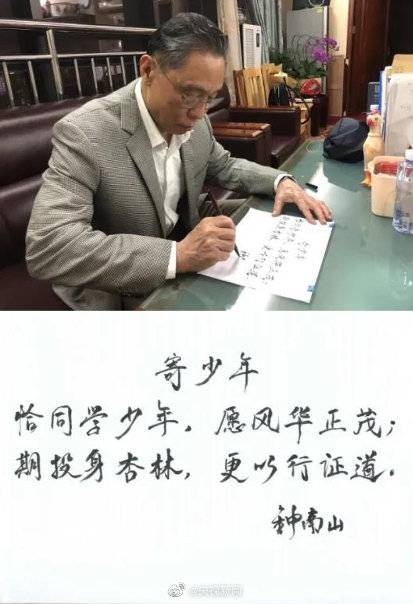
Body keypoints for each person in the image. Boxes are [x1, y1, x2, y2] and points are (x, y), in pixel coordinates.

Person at [26, 12, 331, 310]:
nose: (199, 113)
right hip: (118, 286)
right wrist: (178, 255)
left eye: (209, 97)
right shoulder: (85, 133)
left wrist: (280, 181)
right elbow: (49, 246)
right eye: (189, 94)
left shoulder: (196, 121)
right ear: (148, 70)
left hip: (184, 247)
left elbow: (224, 165)